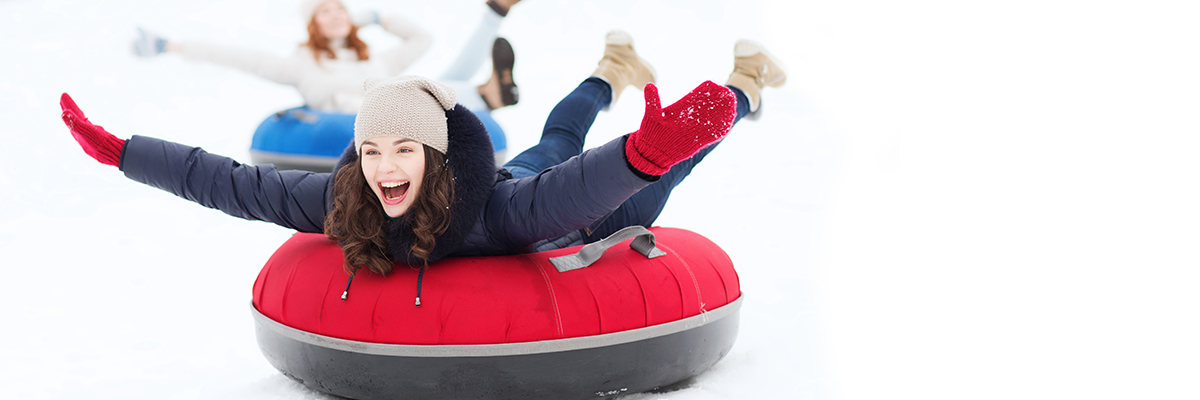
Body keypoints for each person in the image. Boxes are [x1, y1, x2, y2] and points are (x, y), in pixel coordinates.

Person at [61, 30, 786, 303]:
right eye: (372, 151)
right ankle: (614, 64)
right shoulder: (349, 201)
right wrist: (126, 153)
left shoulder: (499, 215)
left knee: (621, 153)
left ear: (433, 158)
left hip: (586, 211)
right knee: (557, 137)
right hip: (524, 182)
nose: (384, 167)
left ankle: (742, 84)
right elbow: (235, 183)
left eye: (403, 150)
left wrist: (641, 156)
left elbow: (567, 196)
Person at [133, 0, 520, 163]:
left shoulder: (375, 56)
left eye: (340, 8)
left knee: (446, 79)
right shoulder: (303, 63)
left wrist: (377, 19)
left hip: (403, 101)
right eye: (325, 11)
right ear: (313, 22)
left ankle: (494, 13)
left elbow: (423, 40)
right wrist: (172, 45)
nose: (335, 15)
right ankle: (487, 90)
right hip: (362, 112)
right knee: (440, 86)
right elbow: (240, 57)